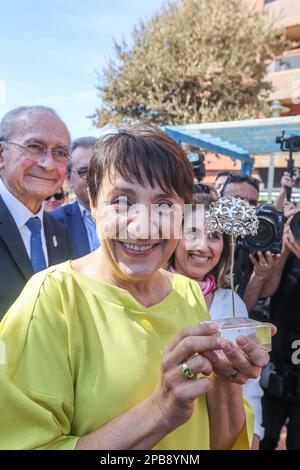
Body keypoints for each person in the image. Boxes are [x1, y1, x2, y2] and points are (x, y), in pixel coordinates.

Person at [0, 125, 271, 450]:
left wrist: (229, 380)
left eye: (164, 204)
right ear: (94, 206)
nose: (142, 226)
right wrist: (161, 410)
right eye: (122, 201)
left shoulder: (188, 293)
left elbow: (217, 441)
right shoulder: (52, 298)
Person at [167, 192, 265, 449]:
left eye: (214, 236)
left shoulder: (231, 302)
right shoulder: (150, 297)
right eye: (192, 233)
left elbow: (250, 387)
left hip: (221, 436)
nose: (203, 246)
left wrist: (254, 435)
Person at [0, 106, 73, 319]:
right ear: (2, 155)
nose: (48, 164)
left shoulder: (59, 232)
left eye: (60, 153)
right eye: (34, 147)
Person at [253, 207, 300, 450]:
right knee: (267, 436)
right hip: (279, 358)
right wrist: (284, 246)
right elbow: (266, 291)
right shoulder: (288, 247)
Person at [51, 136, 99, 258]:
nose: (95, 178)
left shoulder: (131, 215)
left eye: (100, 170)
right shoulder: (53, 223)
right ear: (68, 179)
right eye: (84, 172)